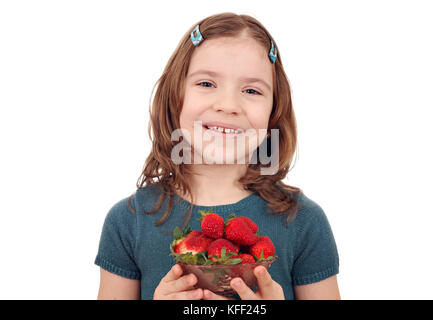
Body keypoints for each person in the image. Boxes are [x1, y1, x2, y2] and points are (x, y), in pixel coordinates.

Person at [95, 12, 340, 300]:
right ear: (175, 96)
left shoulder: (303, 221)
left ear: (274, 113)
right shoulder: (128, 221)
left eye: (251, 90)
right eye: (207, 84)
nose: (228, 105)